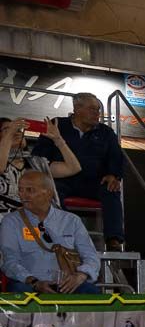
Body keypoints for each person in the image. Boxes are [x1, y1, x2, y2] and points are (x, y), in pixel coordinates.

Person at [32, 93, 124, 246]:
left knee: (111, 189)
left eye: (98, 110)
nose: (97, 114)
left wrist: (114, 175)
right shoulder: (58, 125)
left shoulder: (106, 132)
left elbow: (116, 156)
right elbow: (39, 155)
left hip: (93, 182)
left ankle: (114, 240)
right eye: (92, 109)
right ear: (77, 109)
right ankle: (59, 238)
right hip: (61, 180)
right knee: (51, 192)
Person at [0, 170, 100, 294]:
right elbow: (9, 261)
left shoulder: (71, 220)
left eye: (29, 190)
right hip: (30, 284)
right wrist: (34, 282)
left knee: (90, 292)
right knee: (20, 291)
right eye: (20, 190)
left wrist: (80, 276)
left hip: (66, 284)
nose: (22, 195)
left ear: (48, 193)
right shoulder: (11, 221)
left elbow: (91, 256)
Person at [0, 116, 79, 212]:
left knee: (74, 221)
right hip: (7, 218)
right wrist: (9, 134)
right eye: (6, 129)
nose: (15, 132)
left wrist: (58, 140)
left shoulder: (36, 162)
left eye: (18, 129)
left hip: (39, 218)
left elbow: (73, 168)